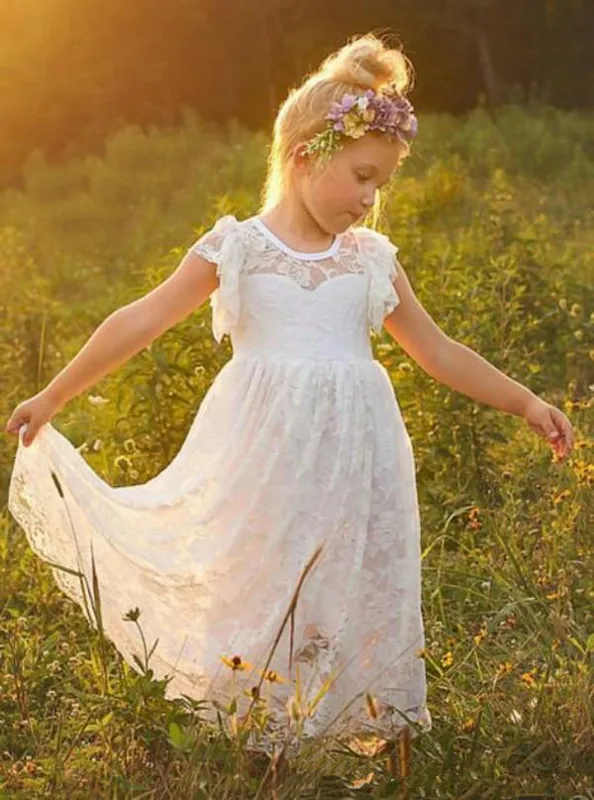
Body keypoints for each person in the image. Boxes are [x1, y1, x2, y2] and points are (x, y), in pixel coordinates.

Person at [3, 33, 573, 762]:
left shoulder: (370, 260)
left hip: (358, 457)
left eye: (382, 186)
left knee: (361, 580)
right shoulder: (238, 248)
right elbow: (139, 319)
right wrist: (54, 394)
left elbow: (437, 352)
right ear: (306, 154)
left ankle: (377, 739)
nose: (370, 201)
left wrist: (525, 401)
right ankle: (259, 745)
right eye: (362, 177)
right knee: (259, 582)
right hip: (263, 457)